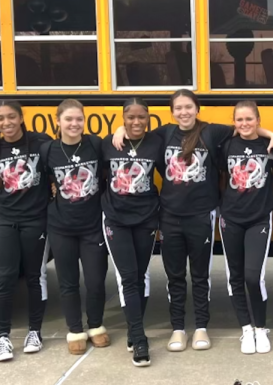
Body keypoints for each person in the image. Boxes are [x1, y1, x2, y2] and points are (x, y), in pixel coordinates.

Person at [112, 89, 273, 352]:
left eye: (188, 107)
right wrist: (119, 130)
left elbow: (245, 128)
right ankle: (178, 329)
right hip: (169, 215)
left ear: (197, 108)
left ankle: (201, 326)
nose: (183, 112)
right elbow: (138, 135)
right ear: (172, 112)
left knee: (201, 275)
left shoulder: (212, 132)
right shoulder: (164, 134)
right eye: (178, 108)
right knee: (175, 275)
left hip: (202, 215)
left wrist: (272, 134)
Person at [40, 100, 110, 356]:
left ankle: (95, 325)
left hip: (92, 224)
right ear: (58, 121)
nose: (74, 124)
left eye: (78, 119)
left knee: (95, 281)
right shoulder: (48, 150)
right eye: (68, 119)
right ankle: (75, 329)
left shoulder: (95, 144)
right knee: (68, 282)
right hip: (61, 225)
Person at [0, 100, 53, 362]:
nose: (7, 123)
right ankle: (2, 336)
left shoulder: (41, 142)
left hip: (35, 219)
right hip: (4, 219)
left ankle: (34, 331)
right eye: (1, 118)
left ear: (21, 117)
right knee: (4, 279)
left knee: (35, 277)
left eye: (11, 117)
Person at [102, 98, 163, 367]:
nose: (136, 122)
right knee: (127, 277)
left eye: (142, 117)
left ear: (149, 119)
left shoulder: (157, 142)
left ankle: (132, 328)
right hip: (116, 218)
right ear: (123, 119)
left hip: (147, 217)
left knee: (140, 275)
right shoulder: (107, 142)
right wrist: (117, 132)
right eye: (130, 117)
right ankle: (139, 338)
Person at [218, 101, 273, 354]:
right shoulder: (227, 145)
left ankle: (261, 328)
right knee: (235, 276)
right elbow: (220, 176)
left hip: (258, 219)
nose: (244, 124)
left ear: (258, 120)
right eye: (239, 120)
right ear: (234, 122)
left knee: (253, 276)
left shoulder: (270, 146)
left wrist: (272, 134)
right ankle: (246, 329)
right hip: (230, 217)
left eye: (249, 119)